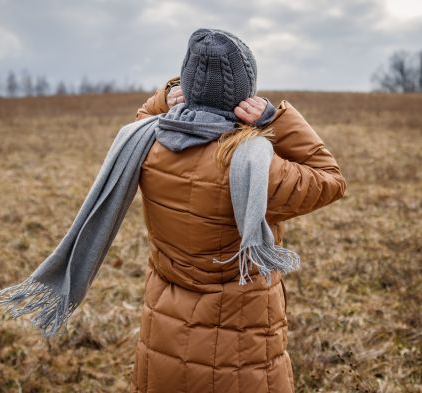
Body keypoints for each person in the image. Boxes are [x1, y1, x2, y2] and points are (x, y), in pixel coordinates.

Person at [130, 29, 347, 392]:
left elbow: (141, 118)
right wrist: (275, 120)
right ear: (244, 94)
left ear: (187, 85)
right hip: (241, 352)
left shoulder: (148, 146)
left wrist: (164, 98)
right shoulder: (253, 165)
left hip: (164, 333)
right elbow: (330, 179)